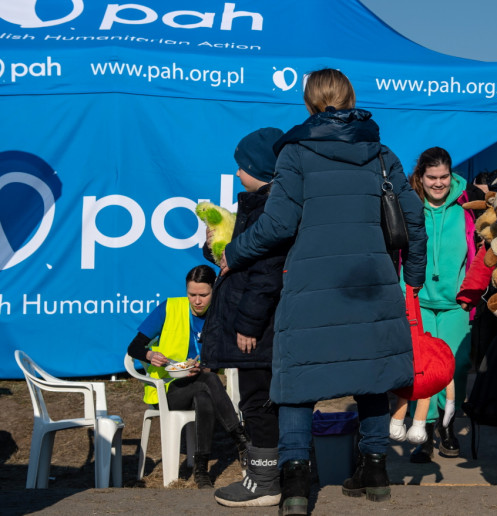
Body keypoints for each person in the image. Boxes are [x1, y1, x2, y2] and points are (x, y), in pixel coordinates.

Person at [219, 68, 426, 515]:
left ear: (309, 104)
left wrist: (235, 252)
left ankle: (294, 487)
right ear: (350, 98)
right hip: (372, 284)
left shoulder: (295, 152)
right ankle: (374, 470)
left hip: (311, 286)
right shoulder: (380, 153)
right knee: (373, 373)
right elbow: (413, 219)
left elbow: (276, 225)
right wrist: (414, 277)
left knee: (296, 381)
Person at [200, 127, 289, 507]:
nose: (237, 173)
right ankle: (270, 475)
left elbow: (266, 272)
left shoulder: (270, 209)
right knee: (257, 399)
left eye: (242, 166)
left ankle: (264, 481)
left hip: (258, 330)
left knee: (257, 401)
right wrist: (215, 251)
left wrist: (249, 324)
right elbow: (241, 262)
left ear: (260, 168)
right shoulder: (258, 206)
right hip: (255, 325)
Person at [126, 264, 249, 489]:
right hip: (169, 389)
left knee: (204, 391)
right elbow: (133, 347)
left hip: (201, 385)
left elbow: (226, 356)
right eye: (192, 294)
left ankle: (200, 470)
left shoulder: (220, 314)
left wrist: (207, 366)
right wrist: (150, 354)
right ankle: (240, 438)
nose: (197, 301)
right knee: (208, 382)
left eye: (204, 295)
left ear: (214, 291)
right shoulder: (170, 307)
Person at [400, 146, 476, 463]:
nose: (439, 183)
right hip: (417, 302)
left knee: (455, 367)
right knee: (424, 370)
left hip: (455, 304)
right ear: (421, 177)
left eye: (444, 176)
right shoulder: (409, 207)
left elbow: (477, 253)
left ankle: (448, 424)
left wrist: (471, 291)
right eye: (432, 177)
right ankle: (425, 432)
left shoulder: (466, 209)